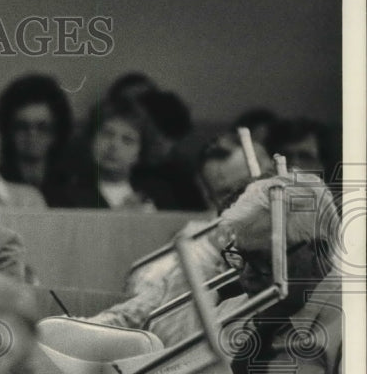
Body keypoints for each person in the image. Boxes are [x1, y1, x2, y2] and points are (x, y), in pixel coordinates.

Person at [87, 132, 273, 343]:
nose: (241, 200)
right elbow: (146, 295)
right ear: (210, 199)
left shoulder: (302, 229)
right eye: (225, 194)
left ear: (271, 177)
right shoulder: (200, 246)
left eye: (246, 185)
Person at [216, 173, 342, 374]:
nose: (246, 276)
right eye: (240, 257)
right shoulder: (231, 312)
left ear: (318, 254)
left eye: (264, 260)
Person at [54, 97, 159, 210]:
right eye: (107, 134)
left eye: (127, 140)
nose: (113, 145)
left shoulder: (158, 194)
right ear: (92, 139)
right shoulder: (67, 196)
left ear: (139, 153)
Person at [0, 73, 73, 208]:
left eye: (42, 127)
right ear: (8, 130)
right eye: (22, 127)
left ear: (57, 131)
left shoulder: (70, 184)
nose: (32, 135)